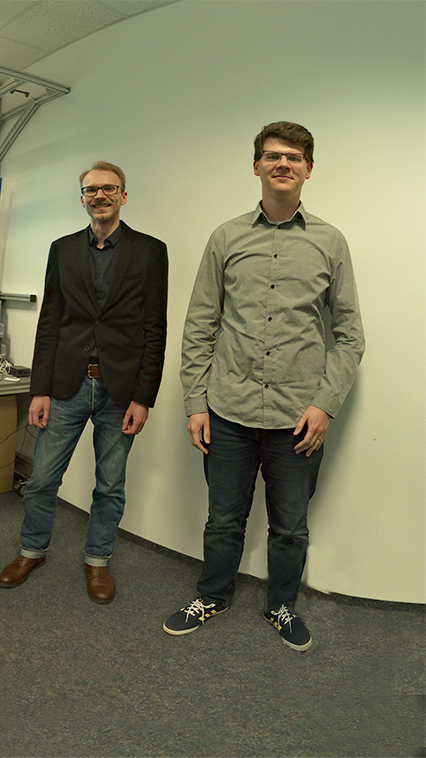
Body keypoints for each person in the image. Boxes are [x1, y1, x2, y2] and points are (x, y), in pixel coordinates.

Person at [165, 121, 361, 652]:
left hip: (298, 420)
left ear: (308, 169)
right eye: (273, 155)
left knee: (290, 526)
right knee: (222, 521)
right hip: (228, 412)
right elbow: (200, 326)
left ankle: (281, 605)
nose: (283, 164)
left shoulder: (330, 242)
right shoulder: (226, 238)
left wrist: (325, 405)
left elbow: (349, 335)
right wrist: (196, 403)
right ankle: (213, 595)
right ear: (256, 166)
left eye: (293, 157)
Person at [0, 162, 168, 603]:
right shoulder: (62, 249)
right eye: (91, 190)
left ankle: (97, 560)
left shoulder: (151, 251)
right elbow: (50, 321)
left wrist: (143, 397)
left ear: (123, 196)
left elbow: (155, 328)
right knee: (41, 480)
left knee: (109, 485)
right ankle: (31, 550)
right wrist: (39, 389)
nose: (100, 196)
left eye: (109, 188)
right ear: (82, 199)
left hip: (120, 391)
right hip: (66, 385)